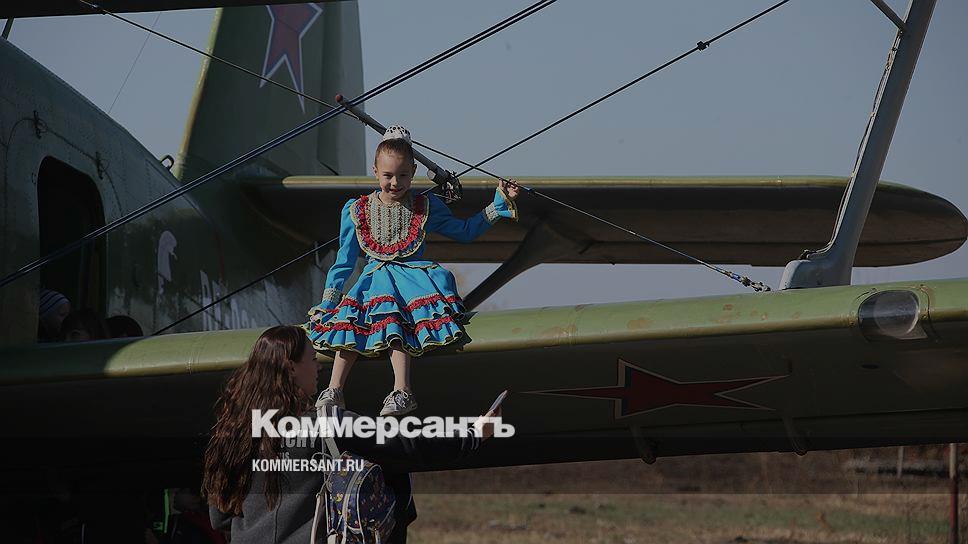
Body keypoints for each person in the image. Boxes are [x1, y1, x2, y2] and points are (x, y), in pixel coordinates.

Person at [203, 325, 499, 543]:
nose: (318, 366)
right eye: (312, 358)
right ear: (291, 368)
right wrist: (472, 435)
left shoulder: (233, 432)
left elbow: (220, 518)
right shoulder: (325, 422)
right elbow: (407, 443)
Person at [303, 125, 521, 416]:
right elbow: (344, 261)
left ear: (414, 171)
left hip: (411, 283)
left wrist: (498, 205)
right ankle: (334, 389)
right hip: (371, 284)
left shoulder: (425, 206)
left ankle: (402, 390)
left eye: (403, 175)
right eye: (388, 175)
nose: (395, 183)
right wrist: (329, 301)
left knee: (397, 321)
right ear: (375, 171)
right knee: (348, 322)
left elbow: (464, 231)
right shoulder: (357, 210)